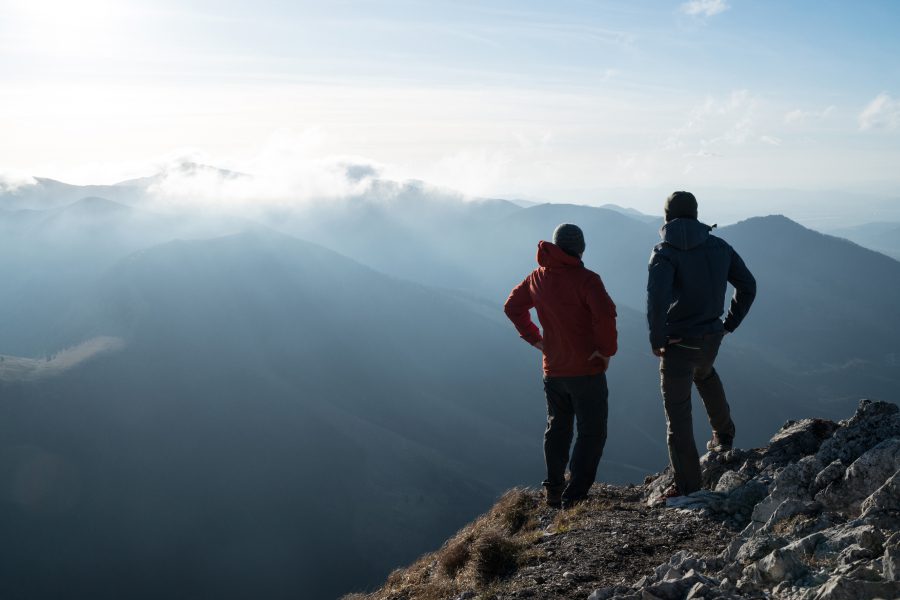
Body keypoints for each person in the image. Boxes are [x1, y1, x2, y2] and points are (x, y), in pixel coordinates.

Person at [647, 191, 756, 501]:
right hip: (711, 337)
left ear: (667, 217)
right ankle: (724, 435)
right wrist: (729, 324)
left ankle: (687, 487)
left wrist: (658, 339)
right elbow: (748, 285)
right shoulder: (720, 247)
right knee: (705, 374)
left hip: (679, 342)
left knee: (678, 415)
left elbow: (656, 301)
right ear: (696, 214)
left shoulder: (664, 253)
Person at [504, 224, 618, 509]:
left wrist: (536, 340)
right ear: (581, 249)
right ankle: (575, 495)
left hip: (553, 370)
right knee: (591, 432)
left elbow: (512, 307)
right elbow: (605, 314)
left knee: (558, 428)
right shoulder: (587, 280)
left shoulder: (537, 277)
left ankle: (554, 488)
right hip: (587, 370)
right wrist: (605, 352)